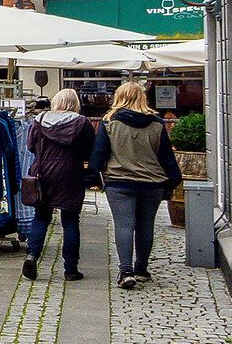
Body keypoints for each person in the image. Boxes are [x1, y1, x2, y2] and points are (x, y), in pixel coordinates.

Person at [91, 79, 182, 289]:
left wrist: (93, 178)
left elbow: (98, 155)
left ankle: (125, 271)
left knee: (124, 225)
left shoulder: (109, 123)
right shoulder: (157, 124)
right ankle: (141, 268)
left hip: (119, 182)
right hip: (152, 183)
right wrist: (173, 181)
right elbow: (166, 157)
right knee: (145, 226)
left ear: (119, 98)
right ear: (142, 98)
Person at [22, 88, 90, 282]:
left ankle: (32, 255)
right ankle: (70, 269)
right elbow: (89, 149)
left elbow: (30, 146)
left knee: (41, 217)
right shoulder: (81, 123)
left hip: (42, 172)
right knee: (70, 220)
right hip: (70, 173)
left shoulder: (40, 120)